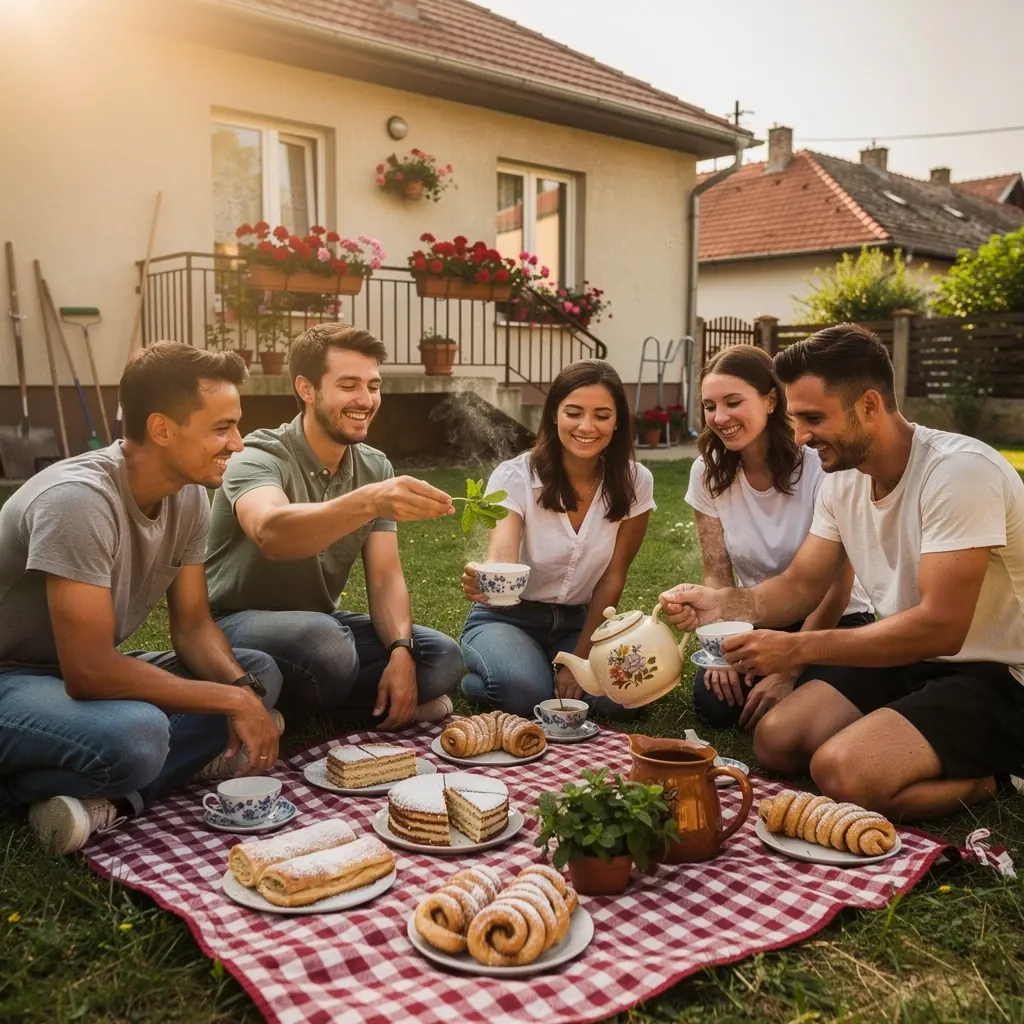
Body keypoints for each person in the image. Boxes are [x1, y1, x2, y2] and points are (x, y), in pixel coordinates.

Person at [661, 324, 1024, 820]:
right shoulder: (844, 480)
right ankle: (908, 739)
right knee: (775, 741)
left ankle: (992, 777)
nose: (802, 437)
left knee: (840, 773)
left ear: (870, 406)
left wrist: (796, 650)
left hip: (997, 672)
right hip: (913, 657)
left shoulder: (959, 473)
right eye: (795, 419)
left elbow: (943, 626)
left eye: (813, 418)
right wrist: (722, 604)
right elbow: (800, 585)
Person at [0, 342, 284, 854]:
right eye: (222, 428)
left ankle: (109, 796)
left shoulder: (191, 495)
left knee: (260, 674)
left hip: (68, 676)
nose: (238, 444)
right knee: (137, 738)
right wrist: (232, 701)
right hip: (13, 675)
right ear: (161, 429)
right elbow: (90, 672)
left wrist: (245, 692)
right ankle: (30, 787)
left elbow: (195, 627)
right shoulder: (78, 501)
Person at [205, 323, 463, 730]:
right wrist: (371, 500)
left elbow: (384, 576)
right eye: (349, 385)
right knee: (326, 646)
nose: (366, 400)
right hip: (233, 624)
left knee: (441, 657)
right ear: (307, 389)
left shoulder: (374, 466)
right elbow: (270, 533)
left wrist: (400, 649)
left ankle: (293, 709)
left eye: (373, 385)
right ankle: (342, 709)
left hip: (320, 624)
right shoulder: (257, 455)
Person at [686, 345, 873, 730]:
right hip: (761, 619)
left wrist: (790, 667)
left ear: (771, 400)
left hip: (835, 621)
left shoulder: (823, 466)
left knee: (788, 723)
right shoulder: (706, 472)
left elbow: (839, 586)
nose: (720, 417)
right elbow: (716, 572)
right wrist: (721, 648)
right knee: (715, 703)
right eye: (709, 406)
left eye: (733, 402)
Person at [459, 359, 655, 718]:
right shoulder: (514, 477)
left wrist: (579, 657)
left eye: (601, 415)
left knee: (623, 697)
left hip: (581, 622)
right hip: (509, 618)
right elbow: (502, 555)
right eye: (574, 412)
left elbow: (614, 576)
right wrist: (486, 575)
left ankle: (524, 670)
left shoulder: (636, 481)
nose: (586, 426)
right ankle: (488, 675)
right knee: (521, 694)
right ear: (554, 415)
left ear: (617, 422)